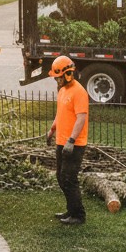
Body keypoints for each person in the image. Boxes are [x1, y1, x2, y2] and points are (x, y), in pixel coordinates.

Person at [45, 56, 88, 226]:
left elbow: (81, 118)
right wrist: (52, 129)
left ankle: (78, 215)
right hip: (62, 141)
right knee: (61, 177)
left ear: (68, 74)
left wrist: (71, 140)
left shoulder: (79, 92)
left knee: (69, 178)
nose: (57, 80)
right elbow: (60, 113)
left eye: (59, 77)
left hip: (74, 144)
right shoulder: (62, 90)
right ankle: (71, 210)